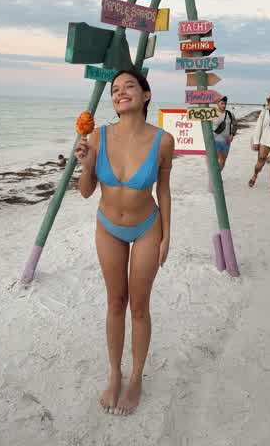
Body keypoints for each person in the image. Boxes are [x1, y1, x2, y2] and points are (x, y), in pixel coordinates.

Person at [74, 70, 174, 415]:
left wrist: (167, 235)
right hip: (108, 227)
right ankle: (115, 374)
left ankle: (136, 378)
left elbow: (164, 191)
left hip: (147, 227)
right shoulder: (97, 136)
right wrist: (86, 165)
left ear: (146, 95)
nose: (120, 92)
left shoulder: (163, 141)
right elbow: (86, 192)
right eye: (115, 89)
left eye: (129, 86)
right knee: (115, 302)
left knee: (139, 306)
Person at [212, 96, 236, 170]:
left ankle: (217, 175)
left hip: (226, 142)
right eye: (222, 103)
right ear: (217, 103)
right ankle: (215, 176)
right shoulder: (211, 113)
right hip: (215, 141)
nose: (224, 105)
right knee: (214, 162)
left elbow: (235, 125)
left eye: (225, 103)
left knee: (223, 162)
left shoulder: (230, 114)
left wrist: (232, 135)